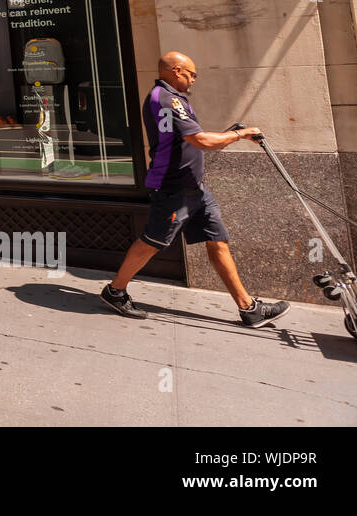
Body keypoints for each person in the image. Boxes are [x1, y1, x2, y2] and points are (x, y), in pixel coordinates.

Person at [101, 52, 290, 327]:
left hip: (195, 188)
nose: (193, 79)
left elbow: (189, 140)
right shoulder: (166, 99)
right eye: (191, 74)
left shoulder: (168, 98)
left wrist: (227, 136)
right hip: (173, 188)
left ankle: (249, 308)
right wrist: (240, 134)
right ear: (177, 70)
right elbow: (201, 140)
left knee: (218, 240)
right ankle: (114, 291)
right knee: (153, 243)